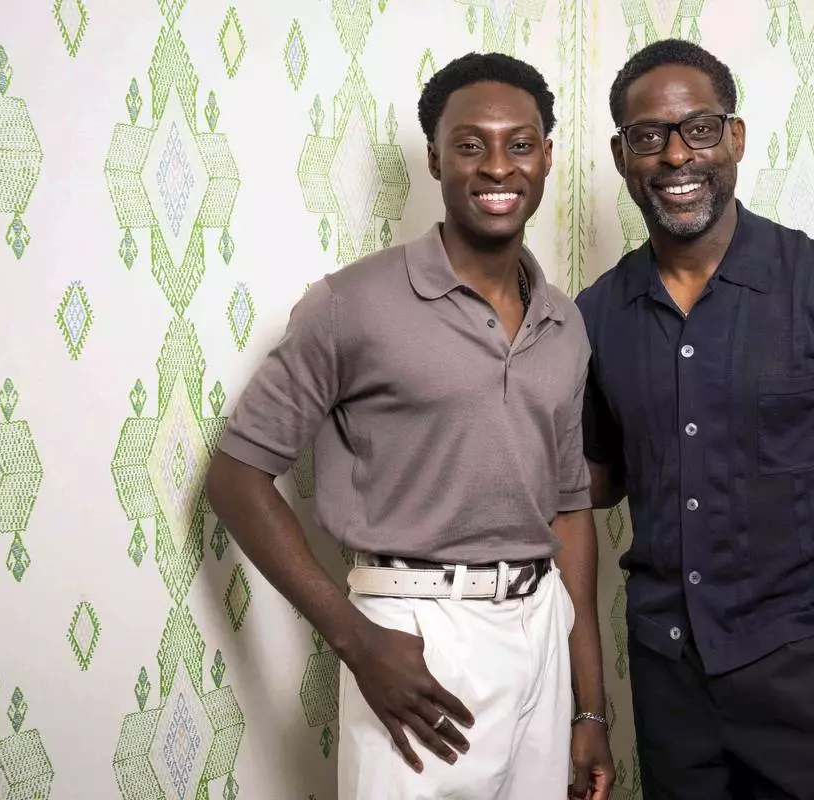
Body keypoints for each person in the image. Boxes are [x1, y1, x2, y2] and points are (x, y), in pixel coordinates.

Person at [206, 52, 614, 800]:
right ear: (434, 157)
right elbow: (236, 476)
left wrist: (589, 705)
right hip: (418, 636)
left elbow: (569, 511)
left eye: (521, 144)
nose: (498, 166)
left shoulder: (565, 322)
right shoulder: (351, 303)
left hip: (541, 629)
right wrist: (357, 640)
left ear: (547, 156)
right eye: (470, 144)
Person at [576, 39, 814, 799]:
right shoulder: (597, 315)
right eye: (648, 137)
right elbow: (599, 482)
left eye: (699, 129)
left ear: (735, 138)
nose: (676, 155)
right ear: (621, 156)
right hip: (673, 694)